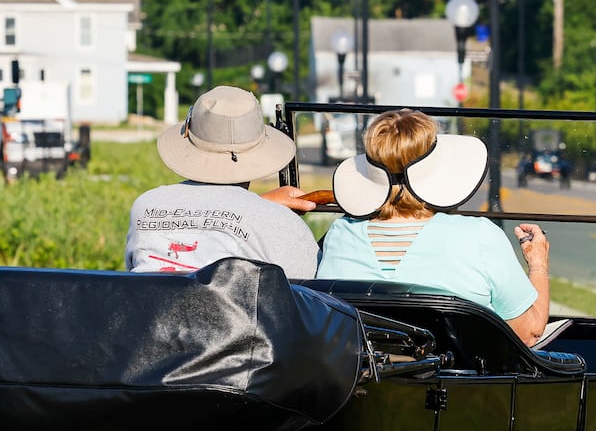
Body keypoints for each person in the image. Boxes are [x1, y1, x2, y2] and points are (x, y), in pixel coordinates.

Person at [317, 109, 551, 345]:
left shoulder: (340, 235)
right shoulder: (479, 235)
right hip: (456, 380)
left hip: (361, 379)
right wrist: (538, 263)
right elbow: (529, 332)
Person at [126, 86, 319, 279]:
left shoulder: (145, 206)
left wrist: (261, 206)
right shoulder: (281, 223)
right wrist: (264, 209)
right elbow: (313, 293)